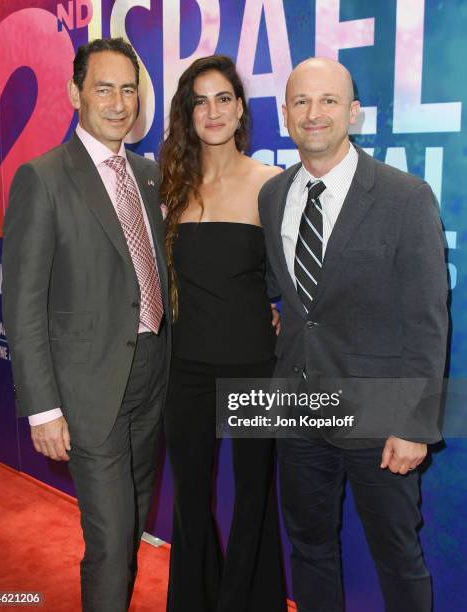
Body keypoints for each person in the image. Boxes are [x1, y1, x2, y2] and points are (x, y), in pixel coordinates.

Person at [259, 56, 448, 612]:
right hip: (297, 413)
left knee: (397, 556)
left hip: (379, 419)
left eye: (329, 101)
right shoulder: (273, 197)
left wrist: (414, 425)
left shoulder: (405, 197)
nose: (313, 114)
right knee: (309, 548)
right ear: (285, 114)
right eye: (301, 102)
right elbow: (288, 295)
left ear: (354, 114)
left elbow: (427, 321)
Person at [2, 38, 169, 612]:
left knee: (132, 528)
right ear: (76, 93)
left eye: (129, 89)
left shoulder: (148, 175)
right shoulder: (42, 177)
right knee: (111, 540)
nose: (119, 103)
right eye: (104, 88)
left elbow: (149, 273)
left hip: (151, 381)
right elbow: (22, 302)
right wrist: (43, 408)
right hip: (87, 393)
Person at [159, 55, 287, 612]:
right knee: (189, 499)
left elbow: (295, 278)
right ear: (187, 114)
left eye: (223, 99)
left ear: (240, 110)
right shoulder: (171, 187)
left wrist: (278, 310)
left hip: (253, 366)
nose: (212, 112)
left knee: (254, 498)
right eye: (199, 101)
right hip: (185, 369)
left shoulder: (271, 184)